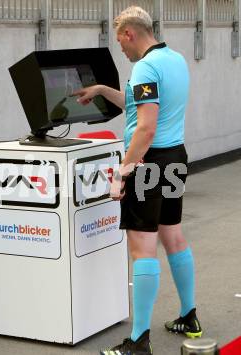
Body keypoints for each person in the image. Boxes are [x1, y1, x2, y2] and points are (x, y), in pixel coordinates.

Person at [72, 6, 201, 355]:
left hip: (147, 163)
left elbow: (145, 126)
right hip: (174, 157)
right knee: (172, 234)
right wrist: (101, 89)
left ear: (130, 33)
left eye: (120, 41)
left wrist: (122, 172)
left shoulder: (144, 66)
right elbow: (138, 105)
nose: (122, 49)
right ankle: (189, 316)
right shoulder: (174, 58)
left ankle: (139, 341)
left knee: (142, 248)